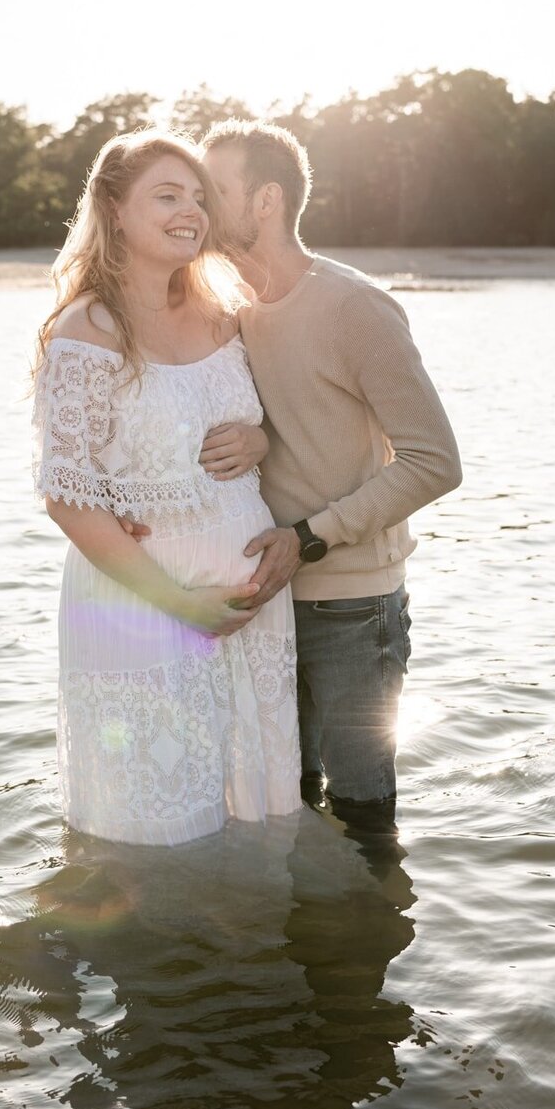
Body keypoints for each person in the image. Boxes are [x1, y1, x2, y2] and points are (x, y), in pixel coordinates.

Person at [31, 130, 302, 845]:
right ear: (114, 209)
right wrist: (181, 604)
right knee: (156, 843)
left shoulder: (223, 313)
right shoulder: (85, 331)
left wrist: (261, 438)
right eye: (166, 196)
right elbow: (67, 496)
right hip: (146, 611)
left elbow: (262, 426)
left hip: (252, 617)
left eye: (197, 198)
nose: (191, 212)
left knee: (260, 827)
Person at [199, 119, 463, 820]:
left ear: (266, 200)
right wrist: (259, 436)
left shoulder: (356, 307)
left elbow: (437, 462)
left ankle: (375, 931)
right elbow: (281, 424)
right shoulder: (232, 312)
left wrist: (309, 537)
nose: (198, 203)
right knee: (288, 807)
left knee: (364, 815)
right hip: (267, 603)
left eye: (215, 188)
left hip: (353, 610)